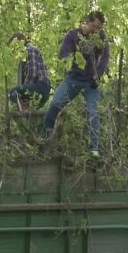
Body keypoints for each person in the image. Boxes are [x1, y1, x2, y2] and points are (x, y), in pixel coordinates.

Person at [42, 10, 109, 157]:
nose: (97, 30)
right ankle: (45, 136)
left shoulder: (101, 37)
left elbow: (104, 58)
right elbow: (63, 54)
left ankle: (94, 149)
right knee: (55, 104)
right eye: (94, 26)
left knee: (93, 113)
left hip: (91, 82)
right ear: (87, 21)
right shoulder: (73, 35)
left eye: (100, 28)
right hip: (72, 79)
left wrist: (97, 76)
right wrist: (74, 56)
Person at [7, 32, 51, 111]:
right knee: (17, 94)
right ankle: (26, 110)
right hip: (36, 87)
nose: (14, 50)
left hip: (41, 86)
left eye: (14, 47)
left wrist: (23, 91)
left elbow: (32, 74)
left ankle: (24, 110)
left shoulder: (30, 50)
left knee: (12, 92)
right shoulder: (23, 56)